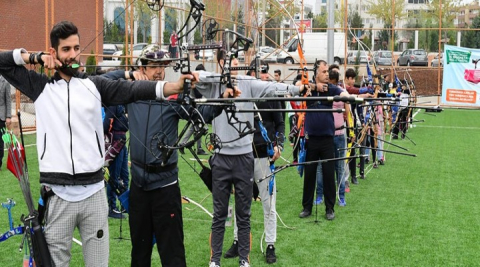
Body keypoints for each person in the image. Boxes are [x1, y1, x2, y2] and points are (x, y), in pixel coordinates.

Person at [0, 21, 191, 266]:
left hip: (94, 195)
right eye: (66, 49)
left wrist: (172, 86)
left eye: (76, 48)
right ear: (54, 52)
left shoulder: (94, 85)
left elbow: (133, 90)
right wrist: (33, 57)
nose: (72, 55)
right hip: (58, 196)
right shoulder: (40, 87)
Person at [102, 44, 223, 267]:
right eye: (154, 66)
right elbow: (102, 80)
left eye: (162, 66)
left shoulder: (172, 99)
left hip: (166, 188)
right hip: (139, 187)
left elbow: (201, 114)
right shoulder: (130, 93)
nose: (159, 71)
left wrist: (223, 98)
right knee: (139, 253)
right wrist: (128, 74)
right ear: (143, 69)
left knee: (173, 254)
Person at [195, 51, 304, 267]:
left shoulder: (249, 83)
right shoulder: (214, 83)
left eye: (237, 64)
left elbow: (273, 88)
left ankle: (245, 258)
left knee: (246, 212)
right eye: (229, 63)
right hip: (221, 157)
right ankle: (214, 261)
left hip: (247, 157)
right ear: (220, 63)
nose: (234, 68)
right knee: (220, 214)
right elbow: (195, 78)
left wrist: (296, 88)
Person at [223, 98, 285, 264]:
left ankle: (270, 244)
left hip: (265, 156)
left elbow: (280, 124)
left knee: (269, 203)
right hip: (243, 157)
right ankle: (237, 241)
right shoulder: (243, 95)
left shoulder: (272, 97)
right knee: (240, 201)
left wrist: (279, 145)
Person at [297, 60, 349, 221]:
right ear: (316, 74)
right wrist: (313, 87)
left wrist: (345, 96)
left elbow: (343, 94)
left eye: (327, 71)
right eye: (324, 71)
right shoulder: (309, 87)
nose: (327, 74)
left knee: (328, 175)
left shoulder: (331, 88)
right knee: (310, 175)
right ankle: (307, 207)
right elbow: (299, 86)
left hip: (327, 139)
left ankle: (330, 208)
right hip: (311, 139)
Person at [315, 65, 349, 206]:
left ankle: (341, 196)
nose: (332, 82)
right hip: (326, 135)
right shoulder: (322, 90)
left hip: (339, 134)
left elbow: (347, 107)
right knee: (321, 167)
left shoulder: (339, 90)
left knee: (339, 167)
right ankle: (319, 195)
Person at [103, 104, 129, 219]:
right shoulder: (113, 103)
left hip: (122, 141)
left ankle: (125, 204)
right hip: (116, 142)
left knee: (125, 175)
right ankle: (111, 207)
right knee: (114, 176)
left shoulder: (121, 103)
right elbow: (106, 125)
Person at [179, 63, 208, 155]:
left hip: (194, 107)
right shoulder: (195, 83)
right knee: (196, 127)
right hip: (195, 107)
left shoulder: (194, 82)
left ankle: (197, 148)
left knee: (196, 128)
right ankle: (182, 144)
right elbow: (198, 95)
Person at [0, 74, 12, 170]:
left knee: (0, 141)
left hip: (1, 116)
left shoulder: (5, 81)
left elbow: (8, 100)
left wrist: (8, 116)